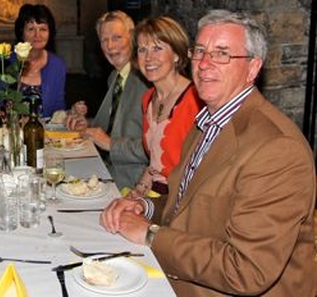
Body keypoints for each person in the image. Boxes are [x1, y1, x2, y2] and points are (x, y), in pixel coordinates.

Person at [101, 10, 316, 296]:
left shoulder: (278, 149)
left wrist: (151, 235)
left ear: (253, 68)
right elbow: (191, 204)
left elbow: (247, 271)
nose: (204, 64)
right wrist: (146, 207)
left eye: (222, 53)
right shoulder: (208, 122)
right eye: (200, 51)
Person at [66, 10, 149, 189]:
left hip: (133, 182)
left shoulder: (147, 81)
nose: (110, 46)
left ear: (132, 38)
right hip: (106, 169)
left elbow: (155, 149)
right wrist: (86, 126)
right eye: (104, 40)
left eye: (117, 37)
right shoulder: (115, 77)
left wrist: (110, 144)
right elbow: (112, 128)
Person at [127, 16, 203, 197]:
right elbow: (155, 166)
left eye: (157, 48)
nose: (148, 58)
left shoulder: (196, 101)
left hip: (184, 200)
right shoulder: (147, 99)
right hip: (156, 196)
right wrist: (137, 192)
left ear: (177, 54)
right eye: (142, 50)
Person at [0, 3, 66, 118]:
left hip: (45, 132)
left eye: (43, 29)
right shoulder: (3, 61)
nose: (37, 35)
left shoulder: (57, 65)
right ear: (21, 32)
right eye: (31, 29)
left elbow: (59, 107)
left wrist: (72, 113)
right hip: (9, 130)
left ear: (50, 33)